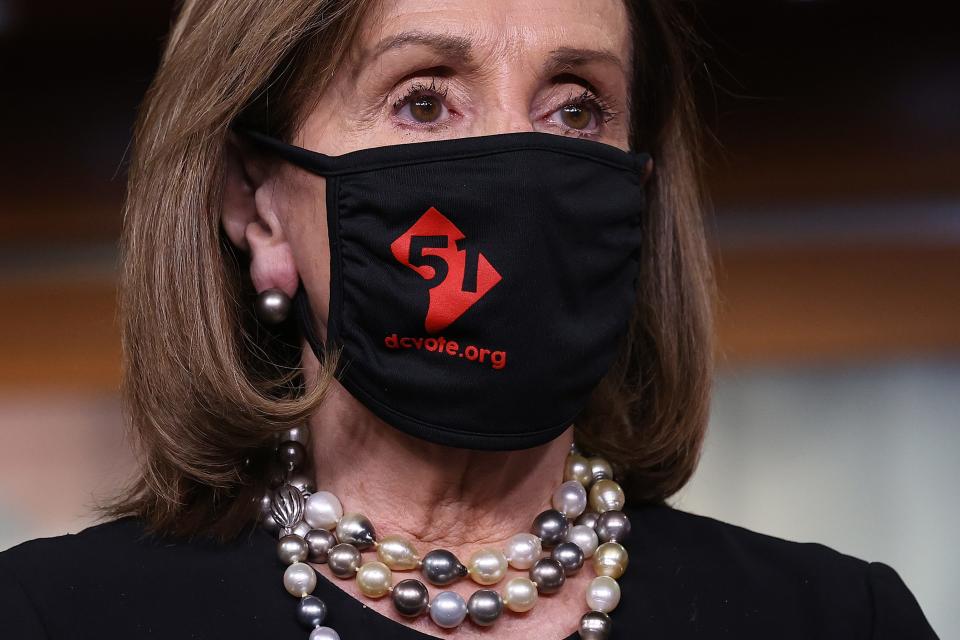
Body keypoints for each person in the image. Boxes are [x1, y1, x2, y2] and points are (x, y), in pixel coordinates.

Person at [0, 0, 939, 638]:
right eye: (423, 100)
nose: (517, 171)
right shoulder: (56, 617)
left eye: (577, 110)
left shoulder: (833, 618)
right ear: (259, 203)